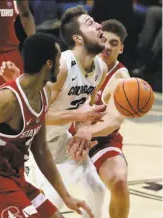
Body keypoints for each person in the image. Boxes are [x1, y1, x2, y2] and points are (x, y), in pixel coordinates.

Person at [0, 33, 94, 218]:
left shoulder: (44, 94)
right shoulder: (7, 101)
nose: (62, 65)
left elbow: (40, 150)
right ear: (48, 64)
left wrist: (66, 196)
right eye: (58, 60)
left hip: (12, 176)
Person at [0, 6, 108, 218]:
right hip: (34, 147)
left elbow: (88, 106)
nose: (98, 25)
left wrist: (83, 131)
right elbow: (36, 115)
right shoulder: (63, 67)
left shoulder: (100, 68)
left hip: (62, 142)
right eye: (90, 23)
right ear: (78, 38)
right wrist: (78, 117)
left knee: (97, 191)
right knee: (50, 205)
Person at [68, 19, 130, 218]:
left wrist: (86, 132)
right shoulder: (74, 61)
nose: (108, 46)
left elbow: (113, 121)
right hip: (63, 137)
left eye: (114, 43)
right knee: (47, 196)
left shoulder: (121, 79)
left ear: (121, 49)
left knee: (119, 181)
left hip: (101, 141)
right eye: (105, 40)